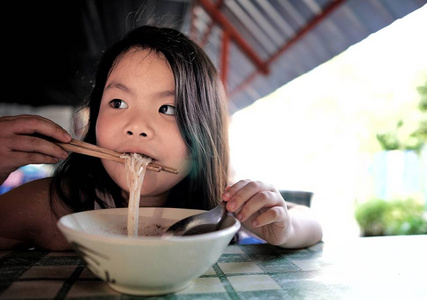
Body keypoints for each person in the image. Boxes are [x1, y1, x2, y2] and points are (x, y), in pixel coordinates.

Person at [0, 26, 322, 250]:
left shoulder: (217, 213)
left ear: (203, 135)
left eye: (167, 108)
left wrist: (285, 228)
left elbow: (310, 225)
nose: (137, 126)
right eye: (118, 103)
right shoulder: (57, 206)